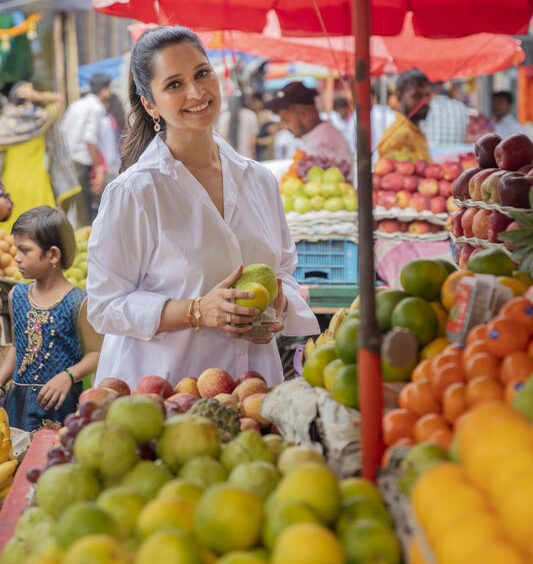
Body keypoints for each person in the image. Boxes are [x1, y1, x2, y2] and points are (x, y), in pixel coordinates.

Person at [86, 26, 319, 388]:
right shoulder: (135, 193)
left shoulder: (259, 181)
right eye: (174, 84)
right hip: (166, 394)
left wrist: (279, 307)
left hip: (252, 390)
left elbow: (284, 271)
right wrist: (197, 311)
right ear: (150, 104)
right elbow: (104, 306)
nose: (196, 92)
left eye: (201, 73)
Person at [0, 207, 101, 431]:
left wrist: (68, 376)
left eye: (25, 250)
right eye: (16, 249)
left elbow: (96, 353)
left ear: (53, 254)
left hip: (60, 405)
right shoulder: (15, 296)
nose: (16, 258)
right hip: (19, 403)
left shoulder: (79, 302)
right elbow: (17, 349)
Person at [0, 82, 80, 230]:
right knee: (40, 230)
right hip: (38, 183)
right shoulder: (41, 118)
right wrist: (38, 96)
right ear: (31, 99)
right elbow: (60, 99)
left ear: (12, 101)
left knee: (11, 235)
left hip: (11, 184)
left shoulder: (4, 125)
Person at [61, 74, 113, 224]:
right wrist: (99, 167)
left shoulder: (76, 104)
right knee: (85, 209)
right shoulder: (96, 107)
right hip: (82, 164)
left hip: (68, 162)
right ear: (104, 91)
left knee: (73, 208)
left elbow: (63, 131)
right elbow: (90, 139)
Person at [264, 82, 353, 168]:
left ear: (304, 115)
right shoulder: (316, 137)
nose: (284, 127)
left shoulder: (323, 145)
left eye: (286, 120)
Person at [376, 69, 432, 161]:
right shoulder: (399, 135)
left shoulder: (415, 130)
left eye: (427, 96)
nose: (424, 102)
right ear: (399, 97)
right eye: (417, 96)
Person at [424, 82, 469, 147]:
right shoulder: (461, 106)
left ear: (432, 94)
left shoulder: (429, 106)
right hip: (456, 154)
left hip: (433, 154)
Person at [216, 93, 259, 159]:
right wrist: (253, 156)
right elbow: (252, 142)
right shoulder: (250, 115)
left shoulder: (224, 116)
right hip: (246, 157)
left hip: (229, 159)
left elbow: (222, 140)